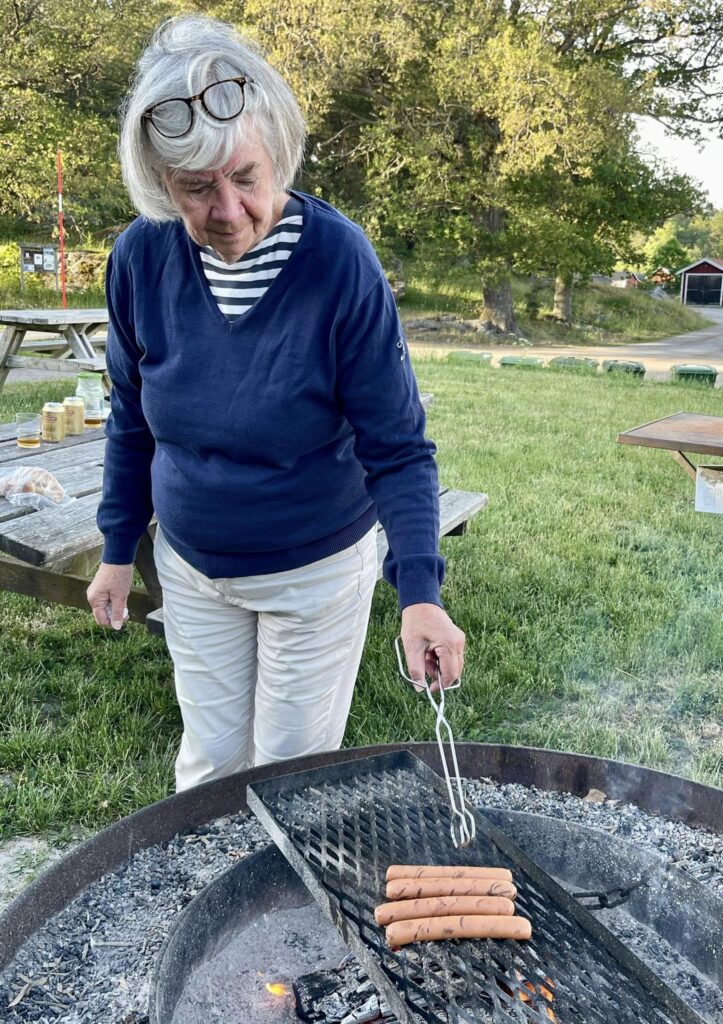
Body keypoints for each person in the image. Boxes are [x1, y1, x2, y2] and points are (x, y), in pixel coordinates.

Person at [87, 14, 465, 791]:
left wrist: (419, 591)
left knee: (290, 773)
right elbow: (130, 420)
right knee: (210, 766)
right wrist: (118, 551)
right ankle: (210, 903)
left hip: (315, 567)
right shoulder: (138, 260)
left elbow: (396, 447)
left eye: (246, 178)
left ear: (279, 156)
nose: (227, 211)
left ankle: (283, 901)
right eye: (195, 188)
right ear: (162, 185)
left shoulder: (337, 261)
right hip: (191, 566)